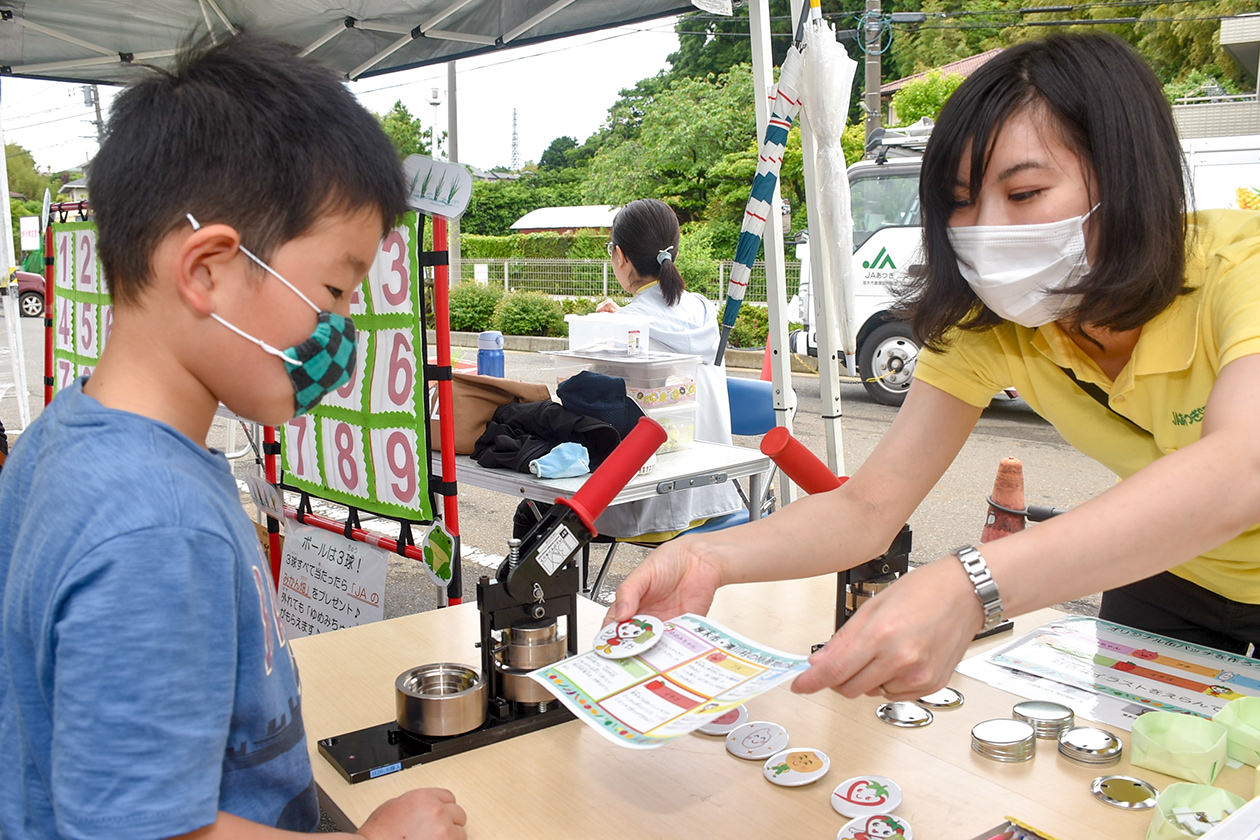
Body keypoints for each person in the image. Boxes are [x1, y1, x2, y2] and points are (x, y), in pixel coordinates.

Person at [608, 32, 1260, 702]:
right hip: (1171, 565)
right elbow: (868, 507)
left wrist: (971, 586)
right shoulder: (992, 323)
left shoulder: (1243, 269)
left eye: (1026, 192)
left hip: (1186, 539)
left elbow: (1242, 467)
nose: (985, 231)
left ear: (1127, 177)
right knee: (1139, 766)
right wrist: (707, 556)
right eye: (959, 203)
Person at [0, 36, 467, 840]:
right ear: (207, 269)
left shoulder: (60, 441)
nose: (343, 329)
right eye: (333, 289)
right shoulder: (157, 528)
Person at [590, 198, 743, 539]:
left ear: (620, 256)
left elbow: (592, 406)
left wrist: (613, 328)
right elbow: (661, 324)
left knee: (539, 512)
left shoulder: (625, 327)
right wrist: (623, 320)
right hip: (715, 495)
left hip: (650, 507)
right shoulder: (704, 311)